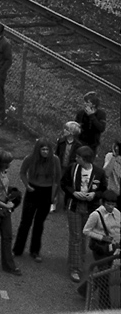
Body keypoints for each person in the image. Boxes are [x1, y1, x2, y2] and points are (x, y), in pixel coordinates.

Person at [63, 144, 106, 281]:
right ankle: (75, 268)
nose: (76, 159)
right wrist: (74, 193)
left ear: (85, 159)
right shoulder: (72, 169)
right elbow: (64, 184)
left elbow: (103, 190)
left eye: (78, 157)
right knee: (76, 236)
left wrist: (94, 195)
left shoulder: (99, 172)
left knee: (84, 235)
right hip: (74, 206)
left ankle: (77, 260)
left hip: (90, 207)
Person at [13, 138, 60, 262]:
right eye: (43, 149)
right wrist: (27, 185)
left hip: (46, 192)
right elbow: (22, 172)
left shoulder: (55, 160)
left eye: (47, 149)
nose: (45, 152)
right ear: (38, 150)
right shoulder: (30, 158)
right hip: (33, 191)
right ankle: (17, 249)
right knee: (25, 222)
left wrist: (54, 196)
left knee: (39, 223)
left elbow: (57, 179)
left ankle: (35, 251)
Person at [82, 189, 120, 264]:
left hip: (113, 246)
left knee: (108, 268)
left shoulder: (117, 213)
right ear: (102, 203)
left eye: (113, 204)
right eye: (108, 204)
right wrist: (102, 237)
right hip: (100, 247)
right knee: (103, 268)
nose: (111, 207)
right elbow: (86, 231)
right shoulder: (95, 215)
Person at [55, 120, 85, 211]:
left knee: (67, 184)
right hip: (60, 166)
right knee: (57, 183)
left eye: (66, 129)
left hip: (70, 168)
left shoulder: (78, 145)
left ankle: (65, 203)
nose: (64, 131)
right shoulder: (61, 141)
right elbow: (57, 153)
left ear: (72, 132)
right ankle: (56, 203)